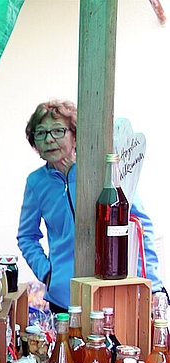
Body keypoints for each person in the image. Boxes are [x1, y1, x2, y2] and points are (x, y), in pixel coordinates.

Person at [17, 99, 165, 312]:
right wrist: (47, 273)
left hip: (110, 290)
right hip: (63, 296)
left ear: (75, 136)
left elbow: (140, 226)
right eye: (41, 133)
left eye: (58, 131)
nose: (49, 140)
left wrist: (152, 283)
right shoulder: (36, 182)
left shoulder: (104, 173)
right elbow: (27, 236)